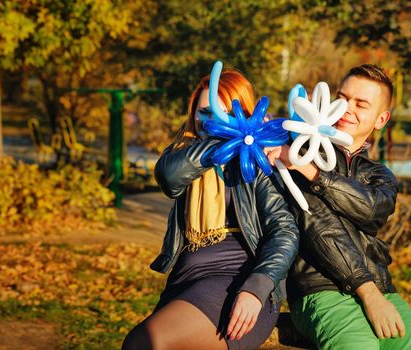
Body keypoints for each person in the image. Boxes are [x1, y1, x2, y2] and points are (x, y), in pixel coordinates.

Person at [122, 69, 300, 350]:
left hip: (240, 281)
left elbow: (285, 232)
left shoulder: (260, 159)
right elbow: (169, 178)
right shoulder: (184, 153)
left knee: (144, 343)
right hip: (186, 279)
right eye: (205, 112)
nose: (212, 121)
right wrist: (222, 140)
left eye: (225, 113)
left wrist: (257, 288)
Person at [265, 64, 411, 350]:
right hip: (320, 288)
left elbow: (371, 210)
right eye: (342, 97)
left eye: (361, 104)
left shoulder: (379, 174)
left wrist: (317, 175)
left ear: (381, 119)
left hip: (381, 288)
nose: (346, 108)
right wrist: (367, 293)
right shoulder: (300, 153)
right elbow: (318, 227)